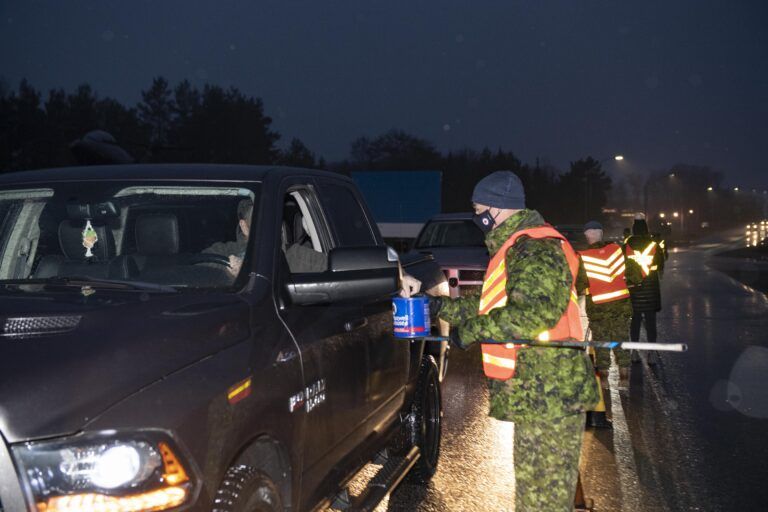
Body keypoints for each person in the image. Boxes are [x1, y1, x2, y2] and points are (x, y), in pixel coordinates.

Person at [428, 171, 598, 512]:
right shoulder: (515, 247)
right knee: (535, 496)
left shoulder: (535, 249)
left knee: (542, 501)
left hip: (550, 393)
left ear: (499, 208)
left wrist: (471, 331)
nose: (478, 217)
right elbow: (493, 303)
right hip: (538, 394)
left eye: (479, 209)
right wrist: (439, 306)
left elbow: (532, 314)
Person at [576, 221, 633, 427]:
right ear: (601, 233)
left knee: (600, 342)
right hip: (621, 305)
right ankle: (625, 378)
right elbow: (635, 274)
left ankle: (604, 380)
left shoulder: (583, 257)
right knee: (621, 338)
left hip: (599, 308)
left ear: (587, 236)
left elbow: (580, 284)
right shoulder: (618, 250)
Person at [625, 215, 665, 363]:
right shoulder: (654, 245)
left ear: (634, 229)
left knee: (634, 320)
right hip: (651, 288)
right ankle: (651, 353)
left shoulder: (628, 244)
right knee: (650, 322)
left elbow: (623, 264)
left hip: (634, 288)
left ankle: (634, 352)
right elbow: (660, 264)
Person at [204, 198, 253, 277]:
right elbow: (199, 263)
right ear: (244, 227)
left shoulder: (277, 255)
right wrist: (230, 271)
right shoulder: (225, 250)